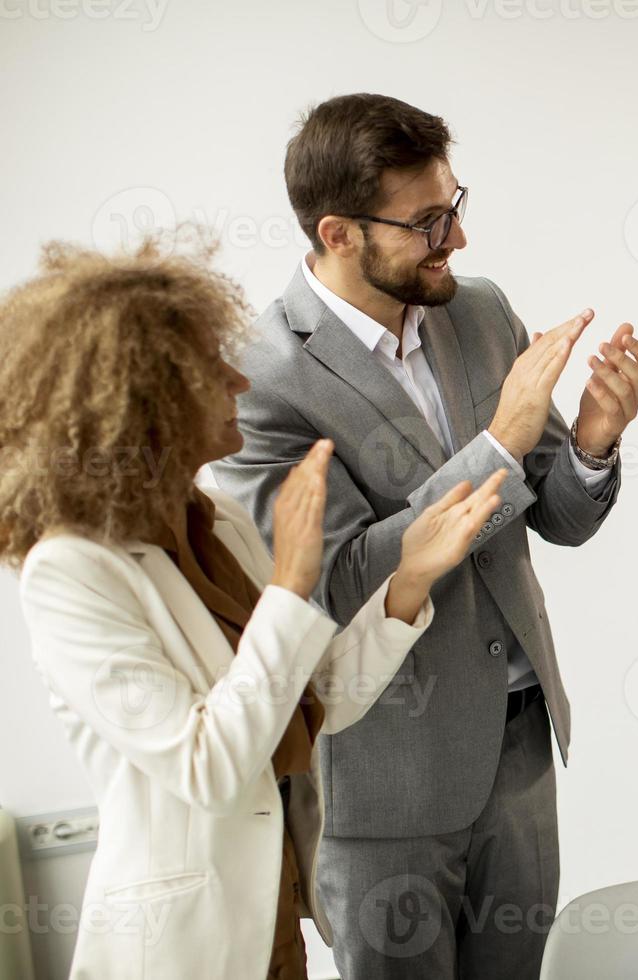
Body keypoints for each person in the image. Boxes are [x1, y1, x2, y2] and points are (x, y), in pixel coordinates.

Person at [209, 93, 638, 978]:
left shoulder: (481, 312)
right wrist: (501, 443)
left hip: (521, 744)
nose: (456, 239)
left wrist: (596, 440)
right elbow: (335, 582)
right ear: (339, 233)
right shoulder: (261, 376)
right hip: (384, 774)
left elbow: (559, 518)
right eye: (427, 222)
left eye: (456, 205)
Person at [4, 236, 507, 979]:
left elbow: (308, 703)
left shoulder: (213, 519)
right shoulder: (70, 572)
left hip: (276, 919)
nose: (238, 379)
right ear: (146, 406)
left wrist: (409, 580)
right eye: (210, 369)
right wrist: (289, 587)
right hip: (184, 947)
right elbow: (208, 766)